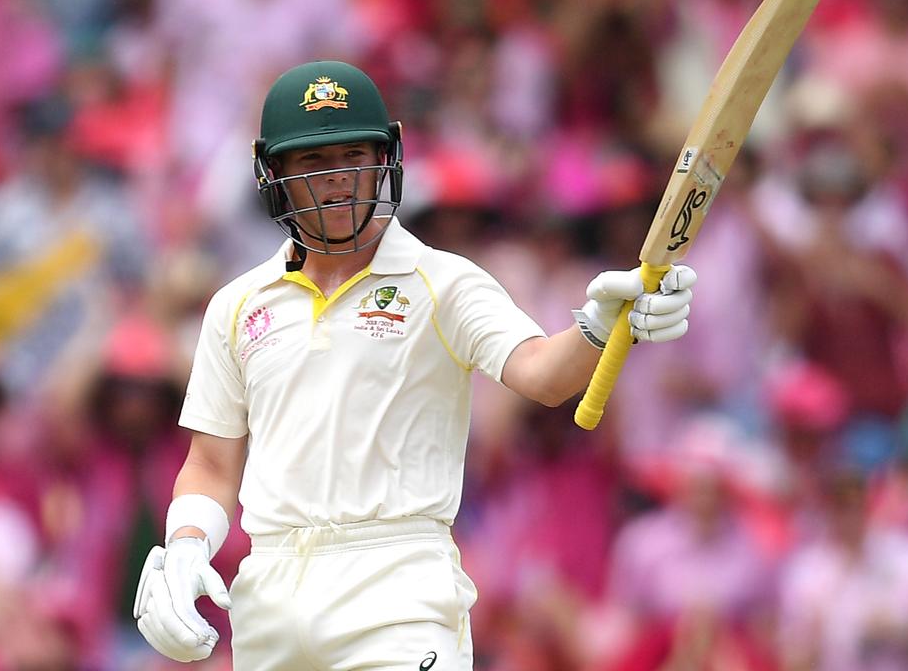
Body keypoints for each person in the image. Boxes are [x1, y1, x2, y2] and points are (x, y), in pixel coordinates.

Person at [131, 60, 697, 669]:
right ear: (275, 175)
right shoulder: (238, 305)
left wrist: (601, 326)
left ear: (385, 161)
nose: (337, 181)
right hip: (269, 597)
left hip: (398, 590)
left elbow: (544, 375)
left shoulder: (442, 282)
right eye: (313, 164)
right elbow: (211, 463)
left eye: (354, 157)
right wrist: (188, 546)